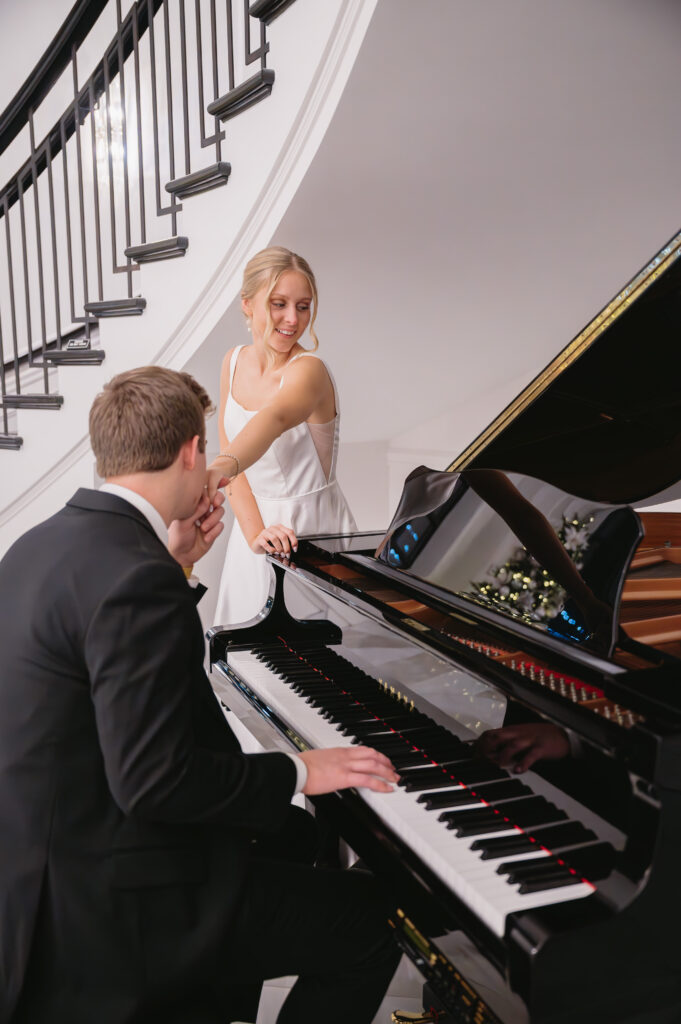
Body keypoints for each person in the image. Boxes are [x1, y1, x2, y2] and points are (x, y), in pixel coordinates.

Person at [0, 366, 401, 1024]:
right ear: (191, 451)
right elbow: (153, 782)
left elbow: (115, 669)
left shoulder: (39, 546)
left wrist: (177, 562)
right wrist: (303, 768)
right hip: (114, 905)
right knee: (370, 921)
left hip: (43, 873)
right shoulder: (135, 575)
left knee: (291, 834)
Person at [207, 246, 356, 626]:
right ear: (247, 304)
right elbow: (236, 470)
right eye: (279, 304)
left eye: (303, 306)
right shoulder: (233, 361)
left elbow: (272, 419)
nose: (293, 319)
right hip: (253, 532)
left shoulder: (310, 370)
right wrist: (256, 536)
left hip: (309, 535)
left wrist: (217, 468)